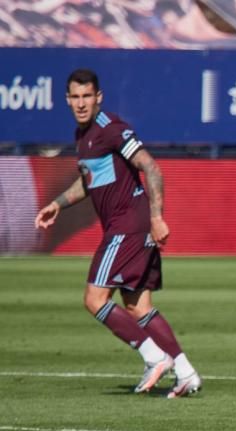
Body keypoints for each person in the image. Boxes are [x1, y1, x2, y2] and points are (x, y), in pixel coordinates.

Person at [34, 68, 201, 398]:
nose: (81, 103)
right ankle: (185, 372)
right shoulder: (82, 136)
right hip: (128, 226)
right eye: (75, 97)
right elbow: (89, 181)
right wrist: (58, 203)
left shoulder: (110, 129)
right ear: (67, 99)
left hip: (129, 225)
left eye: (87, 96)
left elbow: (150, 165)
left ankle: (154, 357)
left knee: (94, 299)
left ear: (99, 97)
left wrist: (156, 217)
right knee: (138, 306)